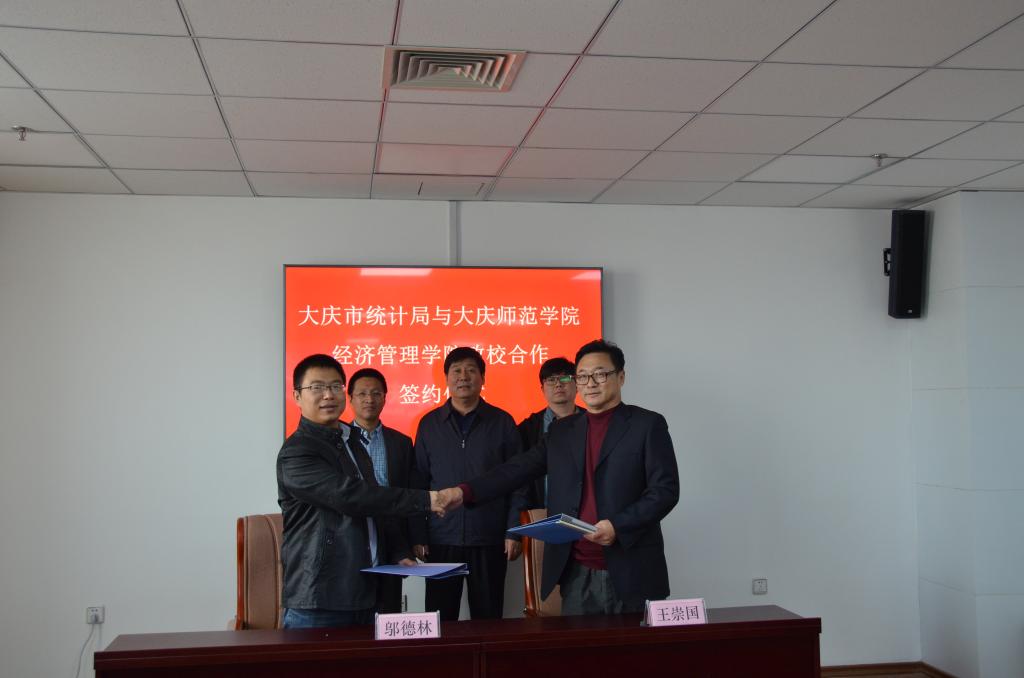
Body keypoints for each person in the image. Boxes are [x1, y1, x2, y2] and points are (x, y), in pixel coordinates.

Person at [437, 339, 680, 616]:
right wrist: (464, 491)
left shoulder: (647, 424)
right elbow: (515, 470)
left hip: (632, 566)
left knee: (635, 645)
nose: (590, 383)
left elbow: (665, 490)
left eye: (600, 374)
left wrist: (618, 526)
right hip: (575, 568)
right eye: (583, 376)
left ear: (621, 377)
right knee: (577, 644)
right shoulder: (563, 431)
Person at [277, 354, 446, 629]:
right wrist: (427, 499)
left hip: (368, 589)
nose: (328, 395)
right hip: (321, 596)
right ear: (297, 396)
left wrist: (397, 550)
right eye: (317, 387)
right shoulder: (297, 452)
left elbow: (375, 504)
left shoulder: (352, 441)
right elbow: (352, 497)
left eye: (335, 386)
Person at [413, 347, 529, 621]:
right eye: (456, 370)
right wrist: (418, 534)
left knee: (488, 618)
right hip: (442, 538)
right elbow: (418, 482)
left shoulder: (502, 422)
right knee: (440, 619)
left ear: (483, 378)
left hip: (489, 536)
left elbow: (518, 481)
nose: (463, 377)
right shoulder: (429, 424)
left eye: (471, 370)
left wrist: (514, 531)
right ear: (446, 378)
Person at [346, 367, 422, 615]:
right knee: (353, 615)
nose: (369, 399)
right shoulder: (339, 441)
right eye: (362, 394)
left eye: (376, 393)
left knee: (389, 611)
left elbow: (410, 493)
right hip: (352, 537)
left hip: (393, 540)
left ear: (385, 398)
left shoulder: (401, 443)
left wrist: (412, 540)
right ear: (351, 399)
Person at [517, 357, 582, 508]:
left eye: (565, 378)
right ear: (542, 389)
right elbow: (520, 475)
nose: (558, 384)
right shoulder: (526, 429)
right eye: (551, 380)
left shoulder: (592, 421)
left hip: (586, 514)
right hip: (542, 512)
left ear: (577, 384)